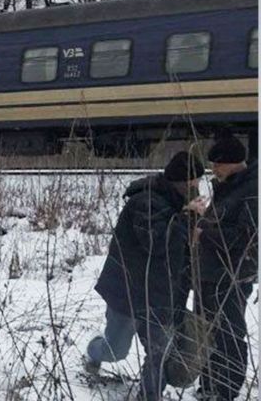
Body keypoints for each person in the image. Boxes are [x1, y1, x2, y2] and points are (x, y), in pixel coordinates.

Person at [86, 151, 207, 400]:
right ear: (180, 183)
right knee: (115, 350)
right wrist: (188, 219)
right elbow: (157, 243)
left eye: (197, 183)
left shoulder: (179, 204)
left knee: (158, 353)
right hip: (128, 293)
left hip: (161, 297)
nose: (196, 189)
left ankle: (150, 396)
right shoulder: (145, 202)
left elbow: (180, 252)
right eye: (192, 184)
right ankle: (94, 352)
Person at [195, 131, 257, 401]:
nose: (213, 169)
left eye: (217, 164)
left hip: (230, 275)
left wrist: (204, 232)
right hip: (210, 273)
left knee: (229, 334)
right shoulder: (230, 186)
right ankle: (208, 386)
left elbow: (247, 238)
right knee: (207, 331)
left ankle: (225, 391)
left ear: (233, 162)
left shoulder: (253, 190)